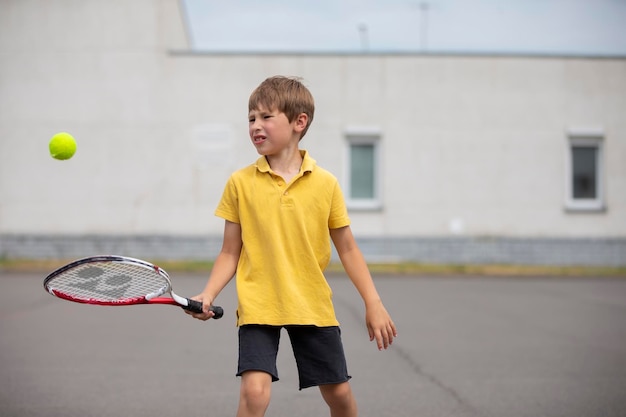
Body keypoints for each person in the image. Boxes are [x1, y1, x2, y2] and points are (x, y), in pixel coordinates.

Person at [186, 75, 397, 417]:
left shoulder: (325, 183)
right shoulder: (239, 183)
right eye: (251, 118)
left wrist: (373, 303)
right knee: (254, 393)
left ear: (300, 122)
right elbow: (229, 251)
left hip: (311, 303)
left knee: (339, 394)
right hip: (259, 304)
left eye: (266, 116)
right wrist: (208, 294)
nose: (256, 125)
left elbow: (348, 249)